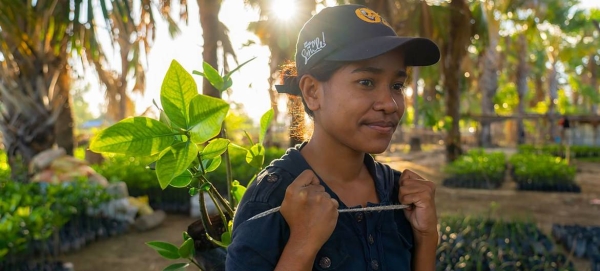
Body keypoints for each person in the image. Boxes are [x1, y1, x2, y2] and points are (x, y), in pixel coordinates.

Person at [226, 4, 440, 271]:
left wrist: (426, 237)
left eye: (397, 86)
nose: (390, 103)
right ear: (313, 92)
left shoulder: (400, 193)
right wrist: (302, 244)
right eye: (366, 82)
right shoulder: (272, 201)